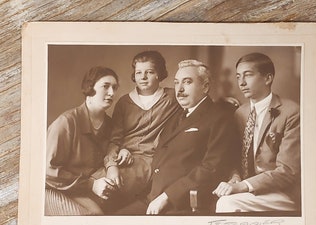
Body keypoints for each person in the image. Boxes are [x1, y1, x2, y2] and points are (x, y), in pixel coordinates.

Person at [116, 59, 238, 215]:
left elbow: (210, 168)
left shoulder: (219, 117)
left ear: (205, 86)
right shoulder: (177, 115)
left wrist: (166, 197)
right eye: (176, 83)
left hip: (183, 203)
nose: (179, 89)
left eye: (187, 82)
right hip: (152, 196)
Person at [213, 52, 301, 213]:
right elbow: (233, 157)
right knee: (218, 199)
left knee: (227, 204)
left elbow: (288, 171)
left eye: (248, 75)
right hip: (248, 191)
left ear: (268, 78)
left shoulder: (291, 112)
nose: (241, 82)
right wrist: (235, 178)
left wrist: (242, 186)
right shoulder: (240, 113)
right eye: (238, 76)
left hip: (281, 192)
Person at [103, 51, 180, 211]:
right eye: (139, 72)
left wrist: (223, 103)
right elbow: (114, 140)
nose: (143, 77)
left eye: (150, 72)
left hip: (150, 162)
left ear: (159, 74)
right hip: (122, 159)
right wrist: (111, 165)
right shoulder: (124, 102)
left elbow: (198, 102)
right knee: (99, 182)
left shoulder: (173, 98)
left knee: (109, 193)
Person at [45, 66, 119, 215]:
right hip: (54, 188)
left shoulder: (110, 125)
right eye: (106, 86)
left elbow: (115, 145)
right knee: (93, 217)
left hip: (83, 189)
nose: (111, 93)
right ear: (90, 87)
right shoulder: (67, 122)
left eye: (114, 88)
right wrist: (91, 185)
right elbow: (48, 171)